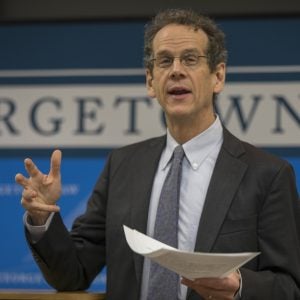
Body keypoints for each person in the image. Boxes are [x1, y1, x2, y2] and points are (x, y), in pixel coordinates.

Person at [15, 8, 300, 300]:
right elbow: (73, 272)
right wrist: (41, 217)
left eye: (190, 59)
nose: (176, 70)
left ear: (218, 76)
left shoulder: (268, 174)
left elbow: (289, 287)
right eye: (164, 61)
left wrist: (240, 287)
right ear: (151, 81)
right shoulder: (122, 165)